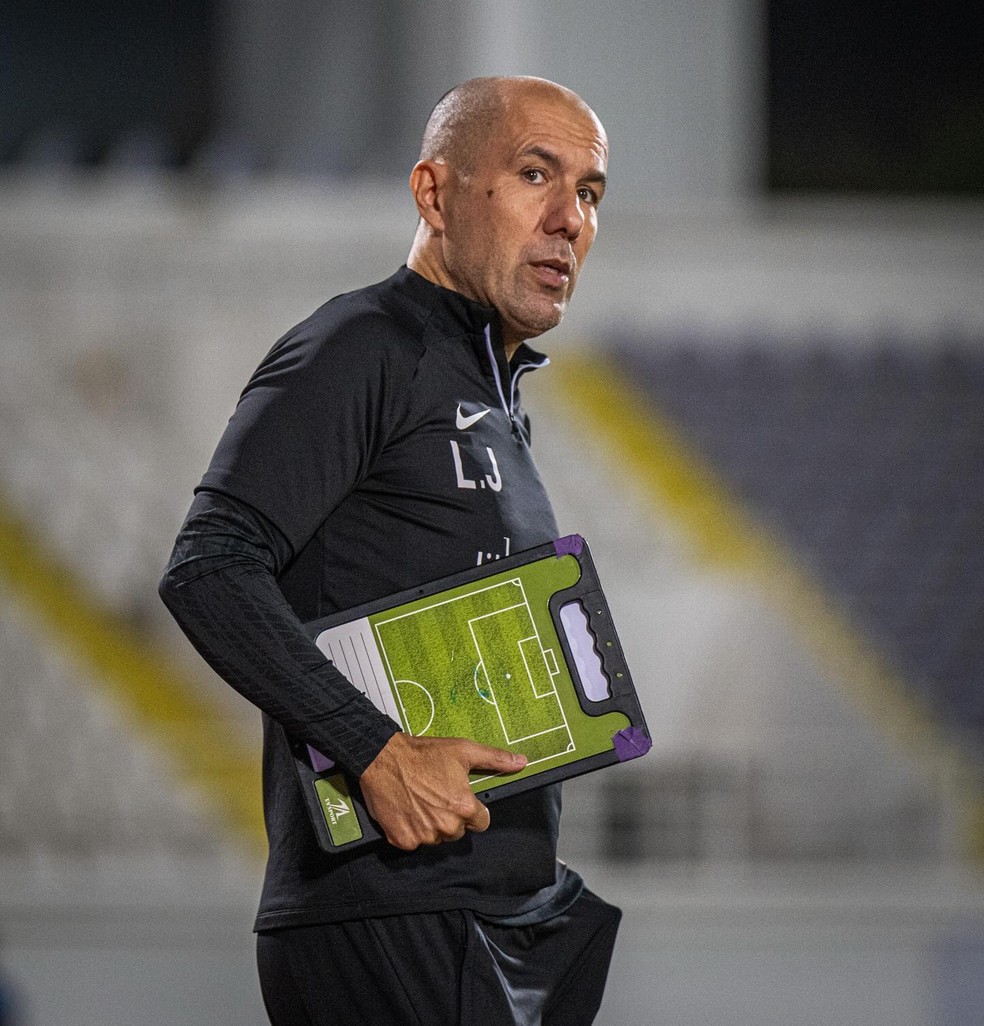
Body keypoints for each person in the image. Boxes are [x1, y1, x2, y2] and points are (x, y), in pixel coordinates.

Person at [160, 75, 619, 1026]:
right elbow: (209, 565)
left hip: (486, 915)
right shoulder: (362, 345)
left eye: (588, 192)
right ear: (434, 193)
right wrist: (373, 749)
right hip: (392, 921)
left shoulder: (492, 391)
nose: (569, 218)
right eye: (537, 174)